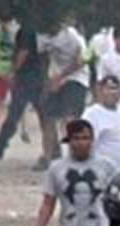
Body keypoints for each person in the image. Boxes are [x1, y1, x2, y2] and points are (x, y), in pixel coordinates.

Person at [0, 19, 49, 162]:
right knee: (42, 115)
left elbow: (23, 52)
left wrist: (13, 71)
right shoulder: (37, 27)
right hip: (37, 75)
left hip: (27, 77)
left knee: (16, 112)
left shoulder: (27, 29)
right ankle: (51, 150)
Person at [39, 17, 91, 170]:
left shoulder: (73, 37)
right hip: (54, 77)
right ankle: (48, 157)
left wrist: (60, 77)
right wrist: (47, 82)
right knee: (48, 118)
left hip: (76, 77)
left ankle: (73, 156)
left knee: (70, 118)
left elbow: (80, 61)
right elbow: (43, 60)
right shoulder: (43, 37)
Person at [82, 75, 120, 171]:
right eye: (108, 89)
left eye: (115, 88)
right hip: (102, 172)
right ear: (100, 92)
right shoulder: (92, 114)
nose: (112, 93)